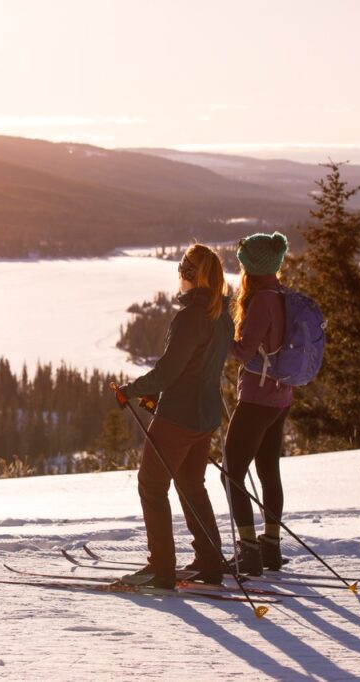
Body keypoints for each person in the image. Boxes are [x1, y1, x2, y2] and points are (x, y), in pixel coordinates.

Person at [119, 244, 233, 589]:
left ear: (188, 275)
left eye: (182, 270)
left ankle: (161, 568)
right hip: (205, 415)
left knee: (152, 485)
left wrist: (132, 388)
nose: (179, 276)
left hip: (179, 418)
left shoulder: (190, 318)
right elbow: (195, 369)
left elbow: (169, 371)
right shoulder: (221, 315)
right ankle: (210, 560)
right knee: (190, 484)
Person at [223, 231, 292, 575]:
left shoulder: (262, 300)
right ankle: (271, 548)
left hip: (257, 398)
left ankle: (248, 552)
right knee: (268, 471)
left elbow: (243, 352)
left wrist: (221, 325)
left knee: (231, 472)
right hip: (280, 397)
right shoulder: (280, 294)